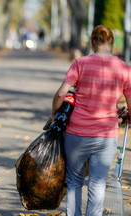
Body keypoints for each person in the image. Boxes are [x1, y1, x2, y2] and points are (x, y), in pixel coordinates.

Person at [52, 25, 131, 216]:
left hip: (76, 135)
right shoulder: (124, 68)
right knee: (97, 184)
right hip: (106, 137)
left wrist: (55, 114)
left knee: (74, 182)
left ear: (93, 42)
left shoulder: (80, 63)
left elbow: (61, 93)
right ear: (111, 43)